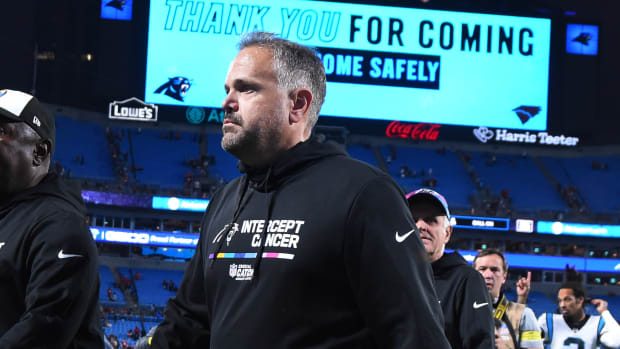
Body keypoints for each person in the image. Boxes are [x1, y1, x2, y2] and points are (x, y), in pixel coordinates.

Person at [151, 31, 450, 348]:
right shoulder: (225, 200)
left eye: (247, 88)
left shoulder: (364, 195)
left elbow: (417, 337)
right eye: (227, 90)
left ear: (297, 104)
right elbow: (188, 322)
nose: (226, 102)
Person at [0, 89, 102, 347]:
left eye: (1, 132)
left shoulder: (60, 225)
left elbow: (43, 328)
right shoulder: (9, 216)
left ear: (39, 152)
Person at [407, 188, 495, 349]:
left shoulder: (467, 281)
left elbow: (481, 344)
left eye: (431, 220)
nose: (421, 226)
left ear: (447, 232)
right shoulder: (389, 276)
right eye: (413, 220)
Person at [473, 249, 543, 349]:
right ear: (473, 275)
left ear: (504, 277)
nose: (488, 275)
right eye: (482, 269)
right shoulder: (458, 311)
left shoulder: (524, 314)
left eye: (494, 270)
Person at [538, 282, 620, 349]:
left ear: (580, 300)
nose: (562, 305)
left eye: (567, 299)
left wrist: (605, 312)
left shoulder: (598, 323)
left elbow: (616, 342)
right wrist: (524, 301)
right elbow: (528, 340)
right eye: (560, 300)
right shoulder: (548, 320)